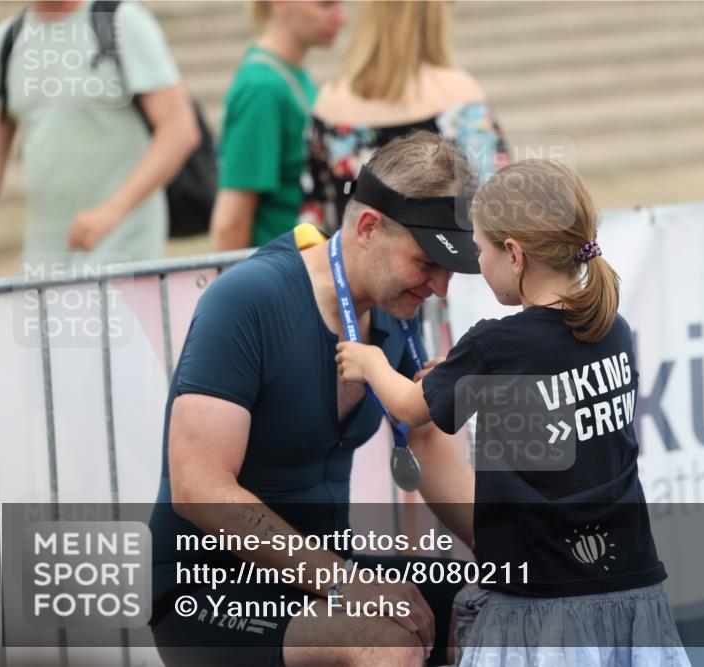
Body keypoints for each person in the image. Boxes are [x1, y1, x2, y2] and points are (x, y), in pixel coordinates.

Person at [336, 160, 692, 666]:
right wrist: (463, 377)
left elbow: (411, 408)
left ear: (514, 255)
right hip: (630, 584)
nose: (475, 263)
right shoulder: (612, 327)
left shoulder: (496, 343)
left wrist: (370, 363)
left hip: (540, 599)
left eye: (479, 249)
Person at [150, 132, 480, 667]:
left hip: (326, 575)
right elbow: (198, 486)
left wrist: (512, 554)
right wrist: (346, 584)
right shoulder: (248, 299)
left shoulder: (393, 304)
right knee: (387, 644)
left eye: (450, 268)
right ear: (369, 227)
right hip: (205, 589)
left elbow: (428, 444)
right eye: (428, 263)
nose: (440, 287)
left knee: (498, 608)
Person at [0, 0, 200, 269]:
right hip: (44, 257)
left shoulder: (122, 21)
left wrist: (113, 210)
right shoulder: (7, 39)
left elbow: (179, 129)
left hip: (125, 250)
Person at [300, 0, 506, 237]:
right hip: (446, 267)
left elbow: (315, 217)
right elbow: (493, 203)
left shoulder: (330, 101)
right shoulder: (462, 95)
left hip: (354, 266)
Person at [210, 0, 346, 250]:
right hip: (278, 274)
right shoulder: (262, 88)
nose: (341, 17)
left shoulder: (289, 73)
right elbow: (230, 224)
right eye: (326, 4)